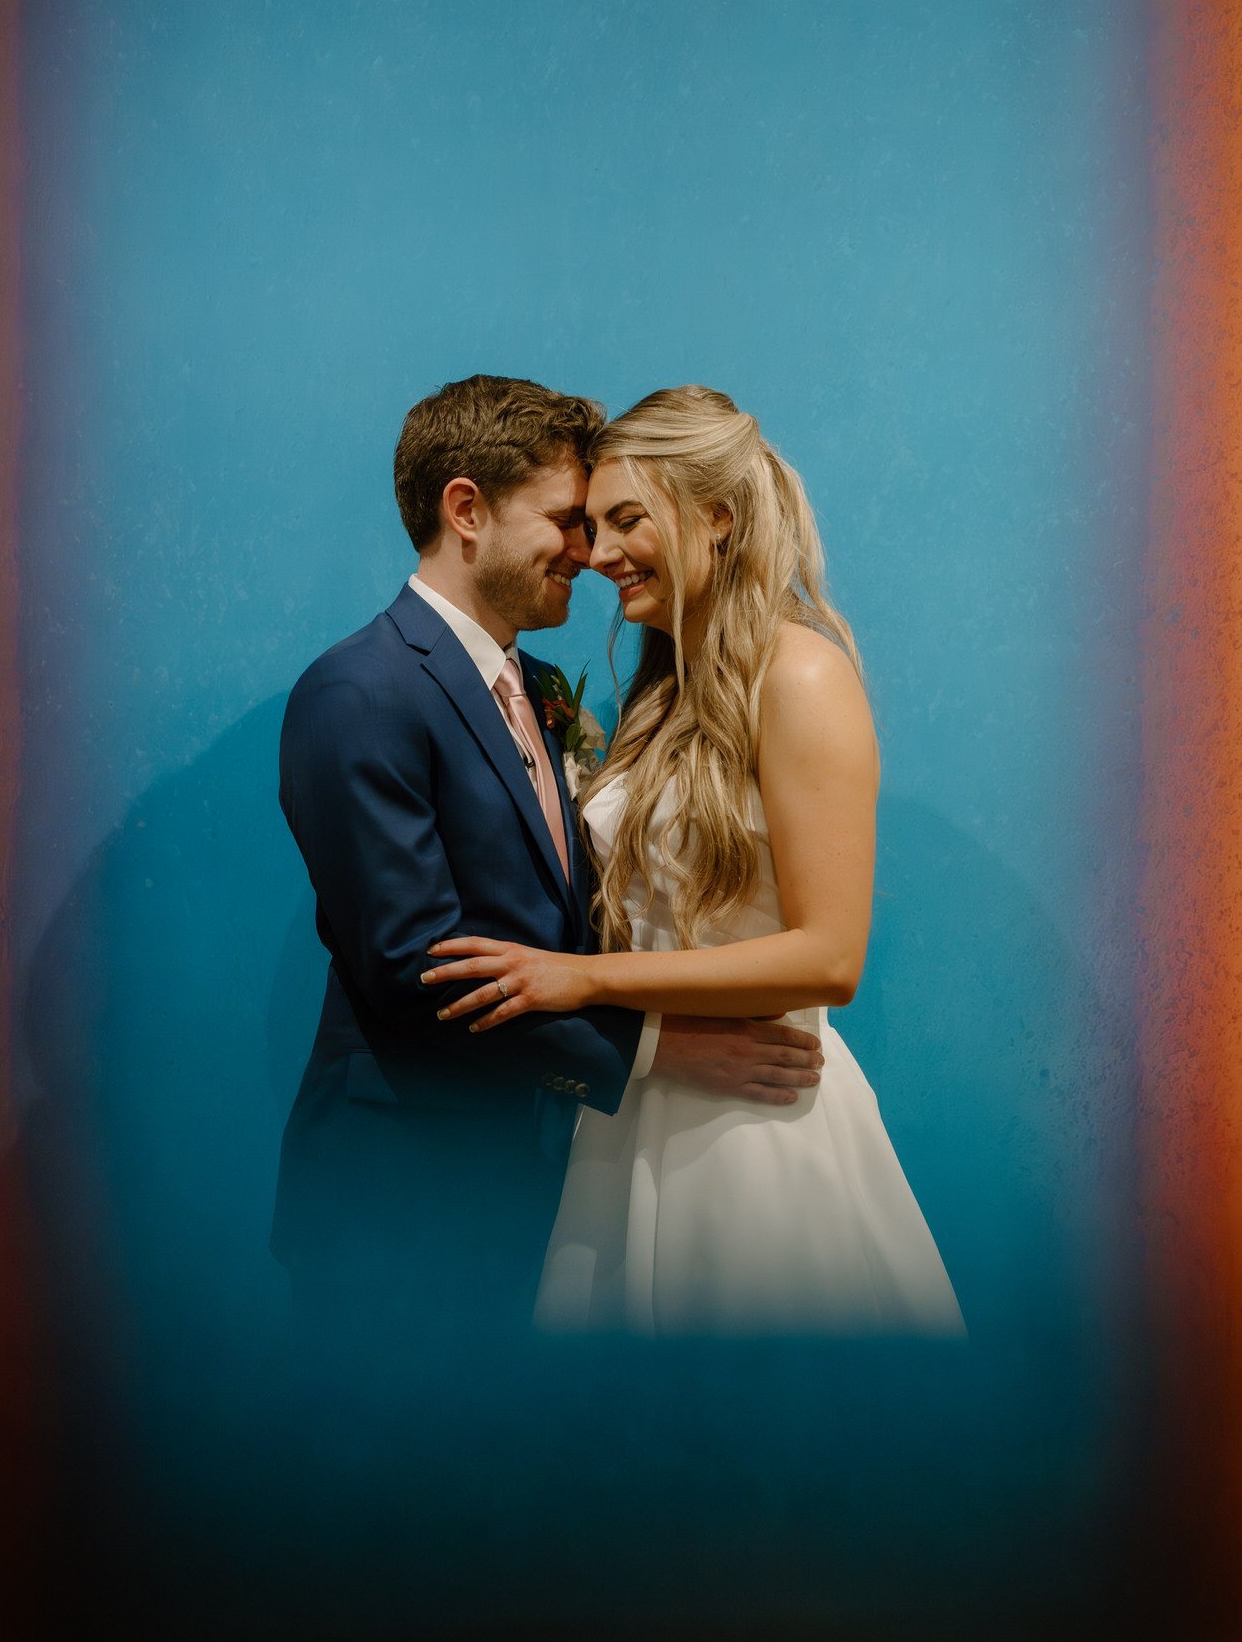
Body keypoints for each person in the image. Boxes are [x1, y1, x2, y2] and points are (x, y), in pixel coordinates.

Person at [271, 374, 826, 1332]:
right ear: (466, 510)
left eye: (605, 524)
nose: (591, 552)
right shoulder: (358, 695)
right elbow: (418, 974)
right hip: (403, 1193)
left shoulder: (543, 687)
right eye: (568, 520)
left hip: (544, 1183)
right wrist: (660, 1052)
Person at [426, 385, 965, 1336]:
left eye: (626, 520)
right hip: (632, 1121)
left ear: (715, 517)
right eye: (589, 526)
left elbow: (829, 957)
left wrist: (583, 981)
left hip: (756, 1132)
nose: (596, 556)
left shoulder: (798, 674)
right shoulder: (659, 692)